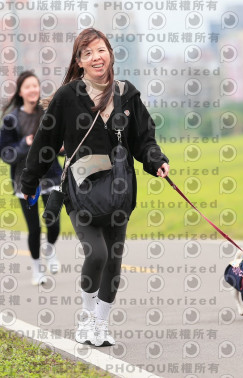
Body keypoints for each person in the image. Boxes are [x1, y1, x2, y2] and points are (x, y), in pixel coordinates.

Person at [19, 28, 170, 347]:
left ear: (110, 53)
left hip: (119, 189)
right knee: (97, 253)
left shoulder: (126, 94)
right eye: (87, 53)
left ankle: (101, 323)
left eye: (100, 50)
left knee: (113, 257)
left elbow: (143, 139)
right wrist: (29, 182)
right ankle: (87, 316)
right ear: (79, 62)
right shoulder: (67, 97)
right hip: (81, 189)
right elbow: (45, 143)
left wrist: (156, 160)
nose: (96, 57)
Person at [0, 71, 63, 285]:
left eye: (35, 85)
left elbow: (59, 143)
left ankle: (50, 250)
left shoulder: (49, 113)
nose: (33, 89)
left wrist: (62, 148)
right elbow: (5, 153)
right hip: (24, 181)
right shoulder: (11, 120)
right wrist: (24, 144)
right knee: (34, 228)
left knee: (54, 223)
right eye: (28, 86)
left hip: (52, 177)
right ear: (20, 92)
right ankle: (37, 270)